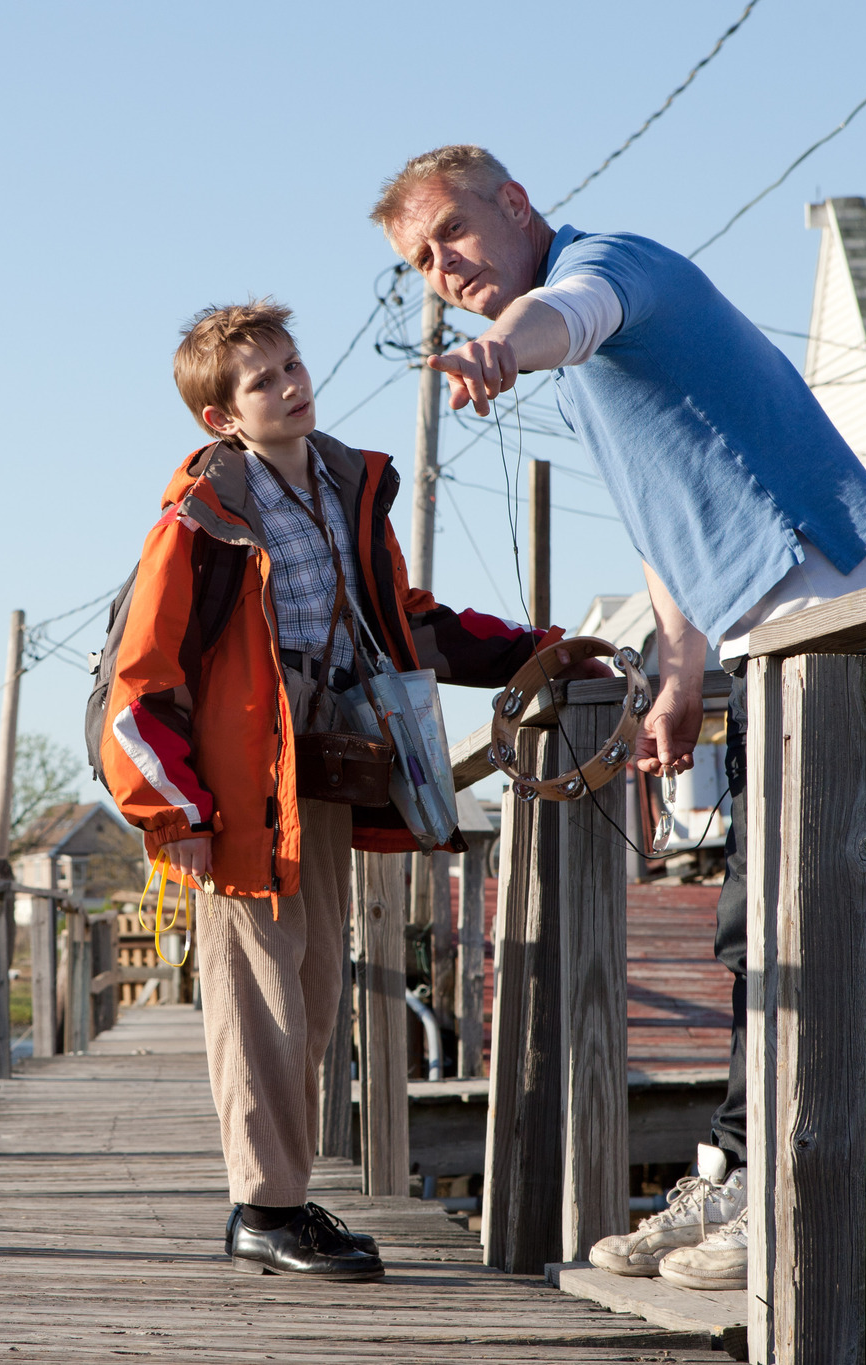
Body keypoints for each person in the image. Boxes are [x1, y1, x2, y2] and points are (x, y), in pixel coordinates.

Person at [371, 146, 866, 1292]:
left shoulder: (611, 266)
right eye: (420, 263)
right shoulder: (590, 361)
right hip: (774, 641)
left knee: (824, 916)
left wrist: (496, 348)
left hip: (849, 610)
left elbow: (562, 316)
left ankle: (810, 1191)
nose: (443, 270)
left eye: (453, 237)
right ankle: (741, 1170)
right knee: (752, 921)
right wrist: (677, 673)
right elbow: (661, 530)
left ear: (515, 204)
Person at [100, 300, 597, 1280]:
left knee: (315, 982)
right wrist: (179, 816)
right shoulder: (199, 516)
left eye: (291, 364)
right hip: (235, 782)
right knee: (255, 995)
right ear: (220, 417)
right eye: (262, 379)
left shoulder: (343, 485)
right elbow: (141, 681)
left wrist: (536, 649)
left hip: (323, 756)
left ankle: (283, 1195)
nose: (291, 383)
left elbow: (403, 622)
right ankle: (262, 1207)